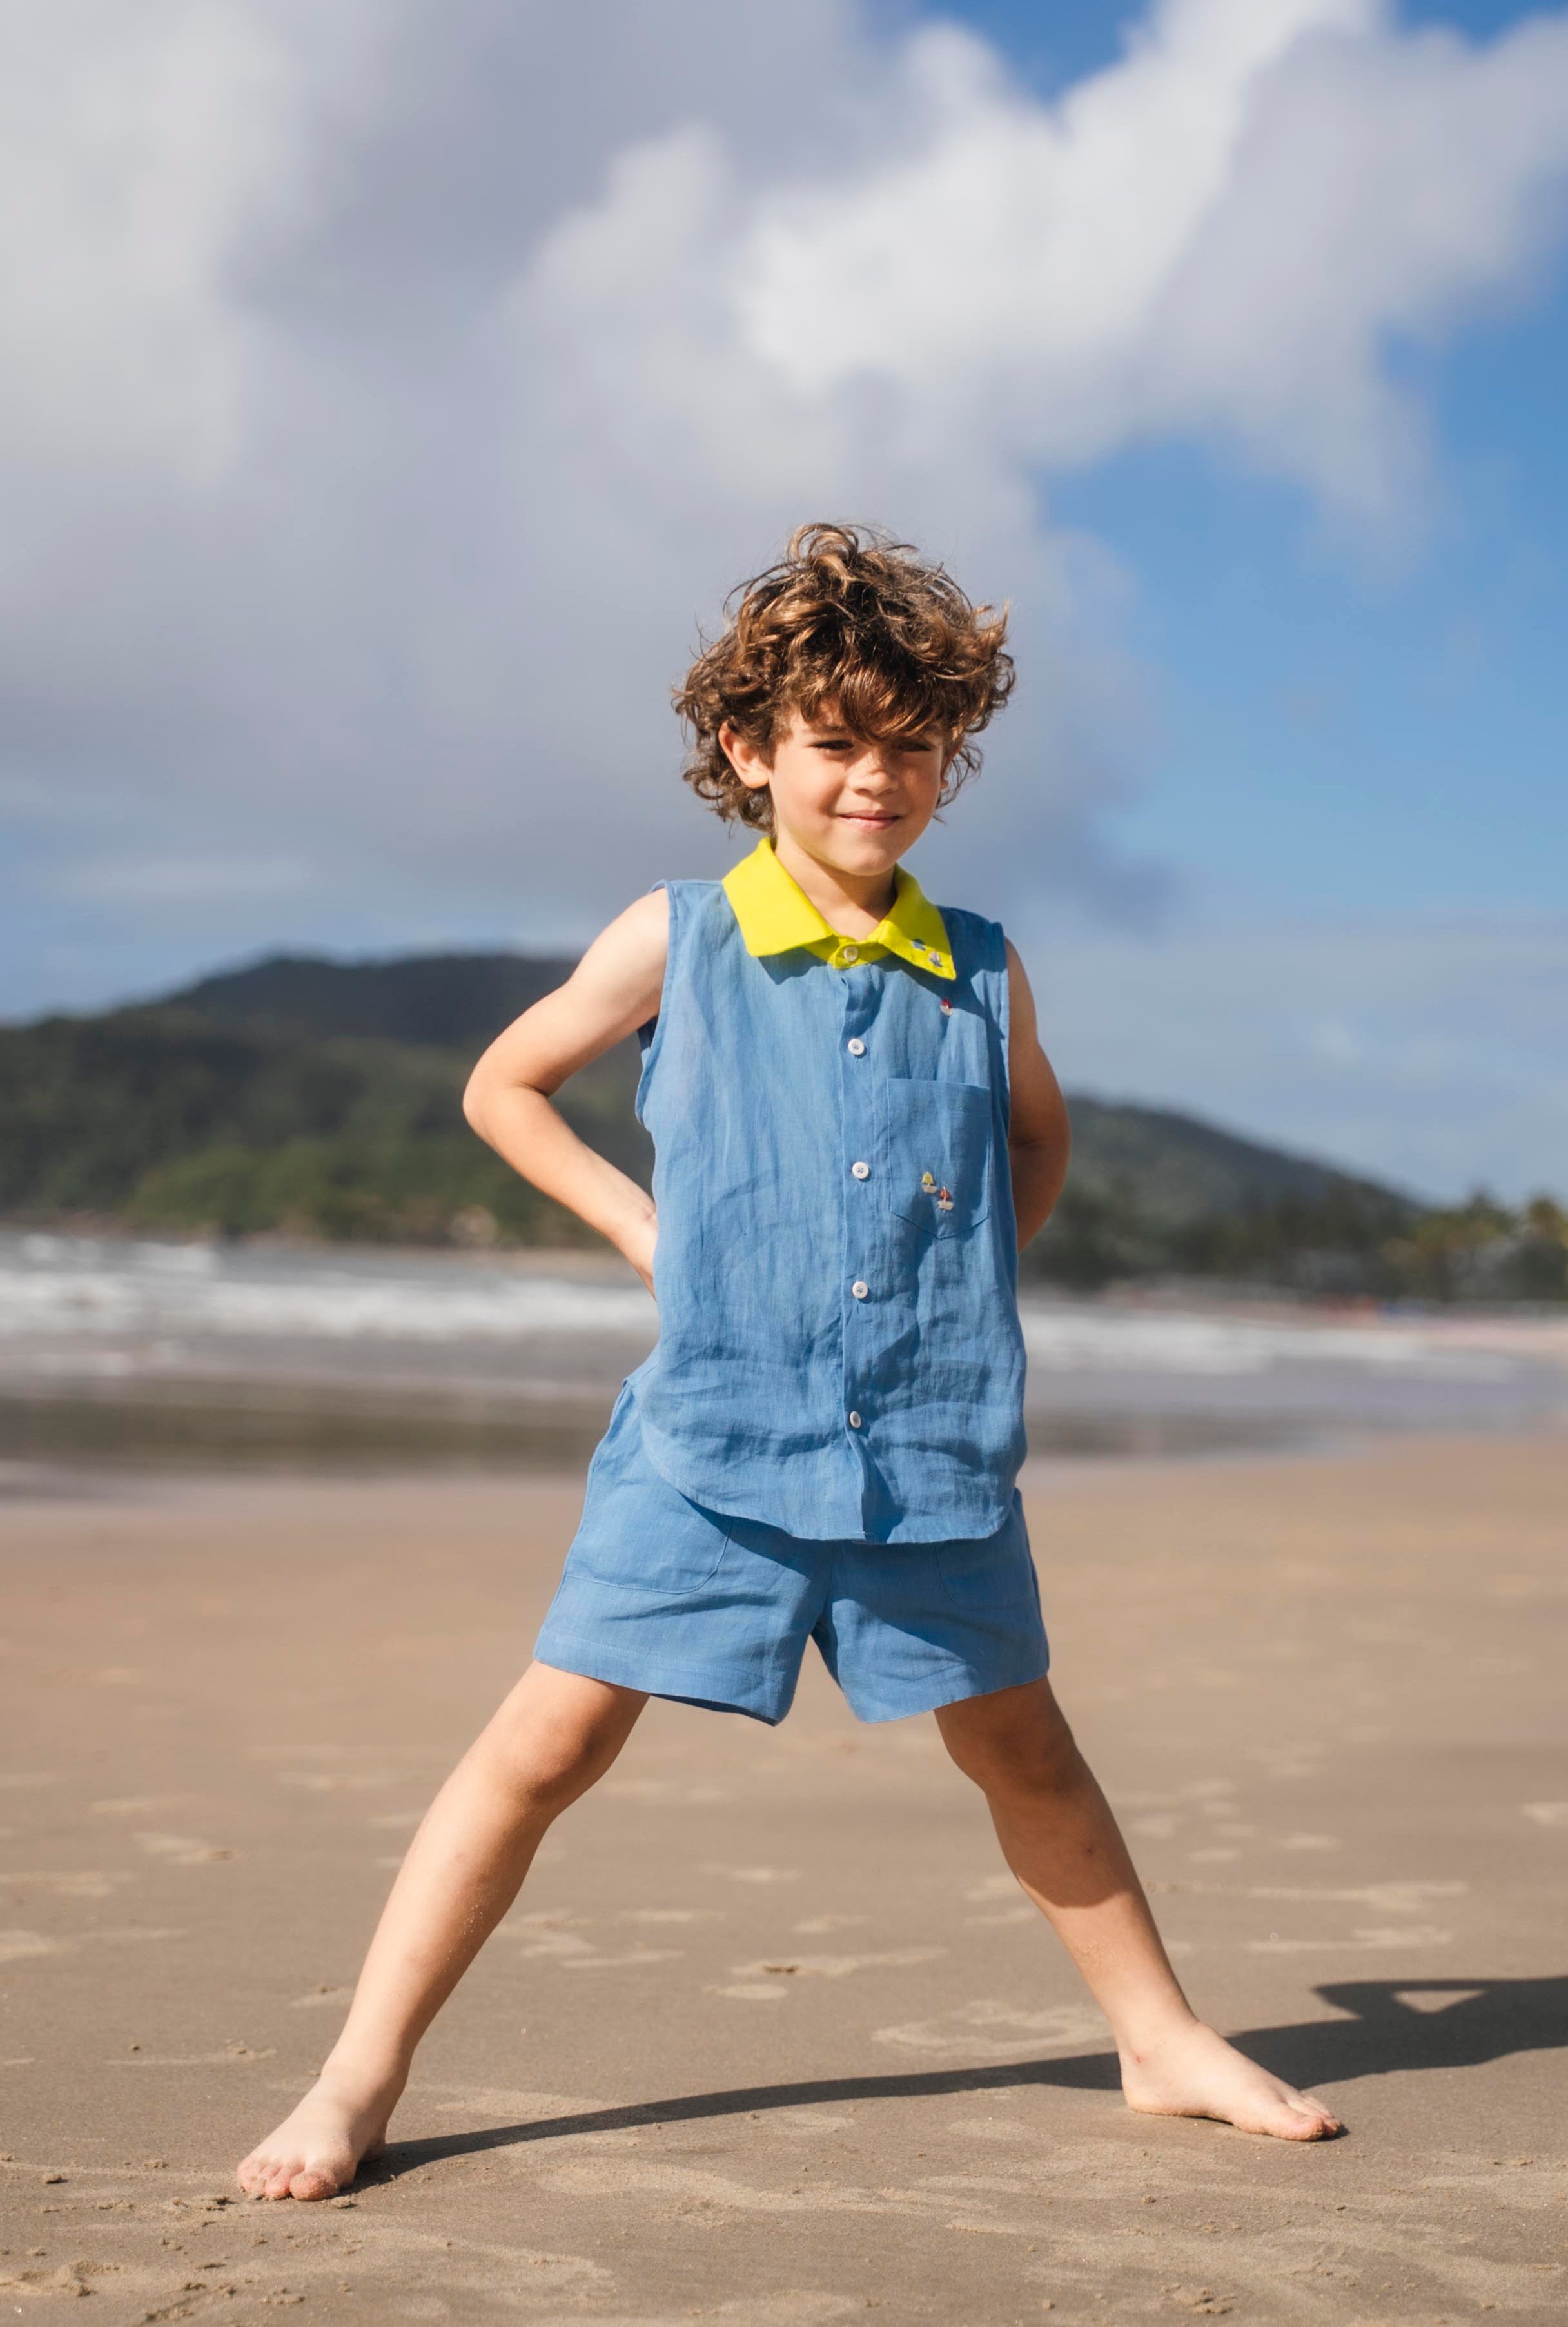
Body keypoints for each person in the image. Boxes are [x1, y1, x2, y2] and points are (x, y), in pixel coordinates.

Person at [237, 522, 1338, 2201]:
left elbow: (1035, 1138)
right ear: (750, 749)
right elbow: (501, 1086)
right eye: (835, 744)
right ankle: (355, 2074)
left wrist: (959, 1281)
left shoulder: (981, 965)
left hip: (932, 1448)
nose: (873, 780)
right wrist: (638, 1230)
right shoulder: (674, 935)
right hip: (711, 1441)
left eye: (913, 747)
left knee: (1024, 1750)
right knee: (545, 1746)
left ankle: (1160, 2040)